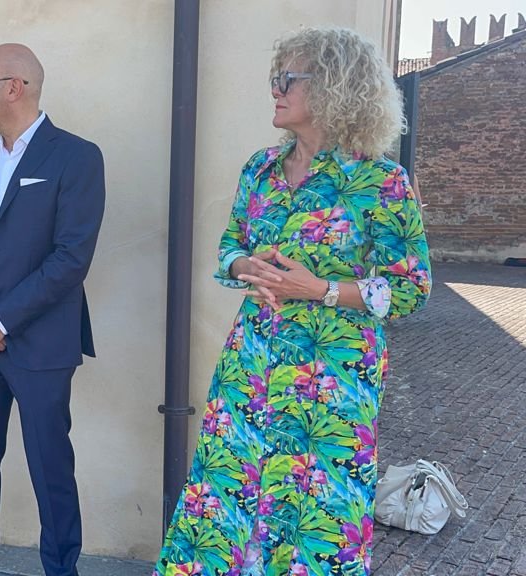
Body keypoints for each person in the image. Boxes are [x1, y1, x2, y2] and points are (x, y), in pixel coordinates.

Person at [154, 28, 431, 576]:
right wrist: (244, 266)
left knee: (315, 512)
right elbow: (230, 246)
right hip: (252, 364)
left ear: (333, 87)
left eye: (288, 79)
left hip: (331, 378)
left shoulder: (381, 181)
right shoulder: (259, 170)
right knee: (227, 497)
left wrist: (321, 289)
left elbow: (411, 287)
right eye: (275, 78)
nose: (275, 89)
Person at [0, 44, 105, 576]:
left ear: (14, 87)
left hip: (41, 342)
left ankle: (60, 568)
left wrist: (2, 320)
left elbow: (70, 257)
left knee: (49, 464)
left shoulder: (76, 156)